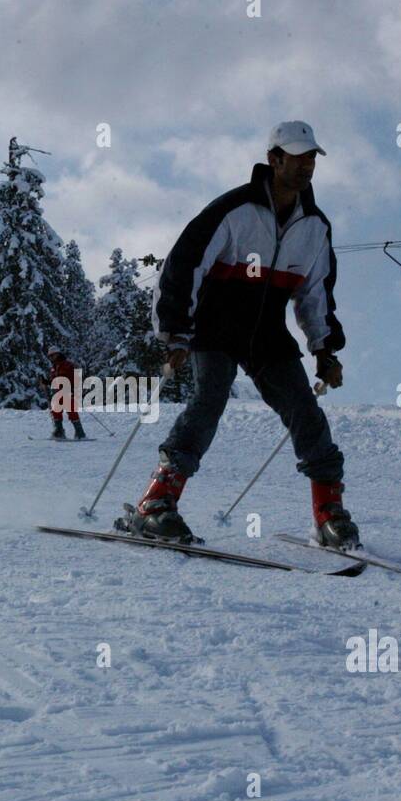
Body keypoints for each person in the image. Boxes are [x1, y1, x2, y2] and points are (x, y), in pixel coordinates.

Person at [125, 120, 357, 549]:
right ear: (274, 159)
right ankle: (155, 504)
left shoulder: (315, 227)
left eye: (312, 157)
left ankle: (330, 515)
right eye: (297, 156)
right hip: (215, 325)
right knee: (209, 399)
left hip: (267, 332)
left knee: (305, 412)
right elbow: (184, 264)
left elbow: (316, 294)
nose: (306, 165)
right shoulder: (235, 210)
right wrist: (175, 332)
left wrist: (325, 352)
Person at [43, 348, 86, 439]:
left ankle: (80, 433)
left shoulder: (68, 365)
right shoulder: (54, 368)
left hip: (68, 391)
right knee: (56, 411)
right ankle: (59, 432)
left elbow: (76, 377)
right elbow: (53, 381)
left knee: (71, 412)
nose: (51, 358)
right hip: (57, 393)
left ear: (58, 354)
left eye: (53, 355)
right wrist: (46, 382)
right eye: (50, 356)